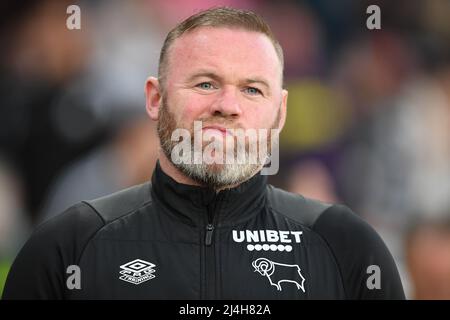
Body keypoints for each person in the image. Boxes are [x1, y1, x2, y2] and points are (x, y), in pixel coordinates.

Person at [2, 7, 405, 300]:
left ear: (280, 113)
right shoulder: (67, 246)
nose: (227, 105)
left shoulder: (346, 247)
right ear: (155, 99)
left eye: (252, 89)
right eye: (206, 84)